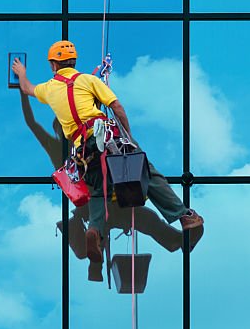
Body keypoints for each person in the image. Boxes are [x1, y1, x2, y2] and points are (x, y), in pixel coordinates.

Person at [12, 41, 204, 282]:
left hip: (84, 152)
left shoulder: (50, 89)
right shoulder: (88, 81)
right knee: (146, 173)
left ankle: (94, 230)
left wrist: (21, 74)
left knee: (97, 191)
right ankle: (184, 216)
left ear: (53, 65)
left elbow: (28, 89)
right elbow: (117, 107)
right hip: (108, 140)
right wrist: (129, 137)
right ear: (74, 62)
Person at [16, 86, 195, 261]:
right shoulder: (79, 145)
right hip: (113, 201)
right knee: (147, 218)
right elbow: (32, 123)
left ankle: (96, 254)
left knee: (137, 219)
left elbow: (32, 123)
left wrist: (22, 91)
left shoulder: (64, 149)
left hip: (94, 207)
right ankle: (175, 240)